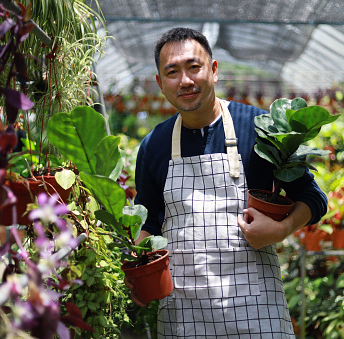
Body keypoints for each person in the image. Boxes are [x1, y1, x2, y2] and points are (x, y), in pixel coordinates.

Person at [132, 27, 328, 338]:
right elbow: (150, 219)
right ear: (160, 82)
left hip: (257, 312)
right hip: (183, 315)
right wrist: (132, 264)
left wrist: (281, 229)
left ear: (213, 70)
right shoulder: (154, 145)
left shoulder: (260, 128)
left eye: (193, 67)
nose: (185, 80)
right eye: (172, 72)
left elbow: (313, 197)